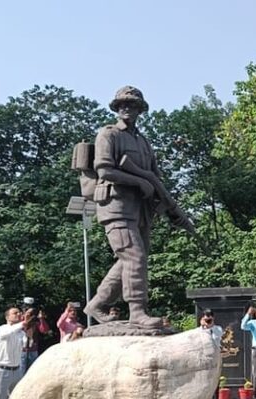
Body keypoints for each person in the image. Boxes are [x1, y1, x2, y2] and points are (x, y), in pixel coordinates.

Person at [83, 86, 193, 327]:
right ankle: (137, 311)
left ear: (140, 110)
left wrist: (170, 208)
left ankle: (97, 304)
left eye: (131, 104)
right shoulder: (108, 134)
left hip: (140, 209)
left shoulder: (143, 142)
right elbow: (104, 169)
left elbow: (155, 178)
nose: (126, 108)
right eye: (122, 104)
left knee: (128, 260)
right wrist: (140, 181)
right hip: (116, 206)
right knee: (135, 256)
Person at [0, 307, 35, 399]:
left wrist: (30, 337)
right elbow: (9, 332)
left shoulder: (21, 332)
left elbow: (27, 346)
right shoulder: (2, 329)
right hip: (3, 370)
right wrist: (24, 322)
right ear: (7, 317)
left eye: (19, 312)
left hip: (16, 370)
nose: (18, 314)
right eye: (14, 313)